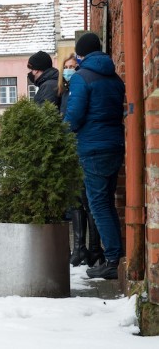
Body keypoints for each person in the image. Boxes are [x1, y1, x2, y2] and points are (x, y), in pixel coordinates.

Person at [64, 32, 125, 280]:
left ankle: (112, 260)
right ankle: (115, 256)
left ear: (80, 54)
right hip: (115, 145)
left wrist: (61, 133)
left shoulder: (81, 78)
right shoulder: (115, 77)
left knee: (98, 205)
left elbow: (74, 116)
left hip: (92, 148)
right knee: (107, 202)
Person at [59, 53, 105, 267]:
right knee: (77, 200)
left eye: (73, 66)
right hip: (72, 150)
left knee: (87, 200)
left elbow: (75, 118)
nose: (69, 70)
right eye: (66, 67)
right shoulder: (64, 92)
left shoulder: (79, 88)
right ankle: (80, 248)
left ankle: (93, 249)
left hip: (82, 147)